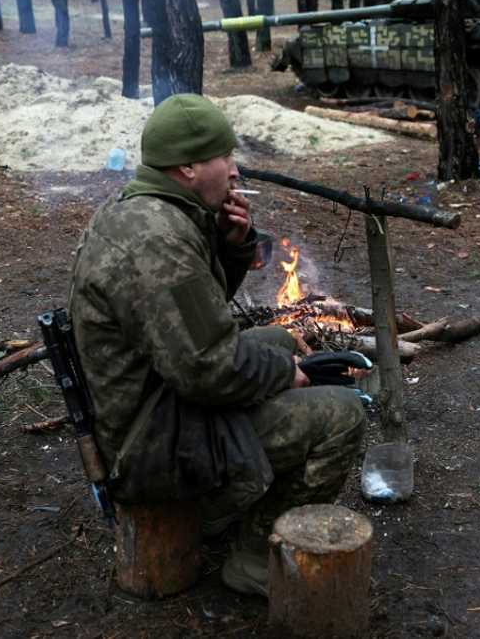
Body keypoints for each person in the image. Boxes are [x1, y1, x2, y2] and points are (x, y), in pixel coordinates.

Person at [68, 93, 366, 598]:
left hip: (153, 397)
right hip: (152, 439)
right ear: (187, 166)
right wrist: (285, 373)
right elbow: (206, 368)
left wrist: (231, 247)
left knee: (277, 337)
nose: (234, 170)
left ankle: (235, 504)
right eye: (224, 156)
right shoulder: (158, 240)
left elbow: (195, 318)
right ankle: (253, 556)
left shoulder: (147, 209)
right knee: (342, 414)